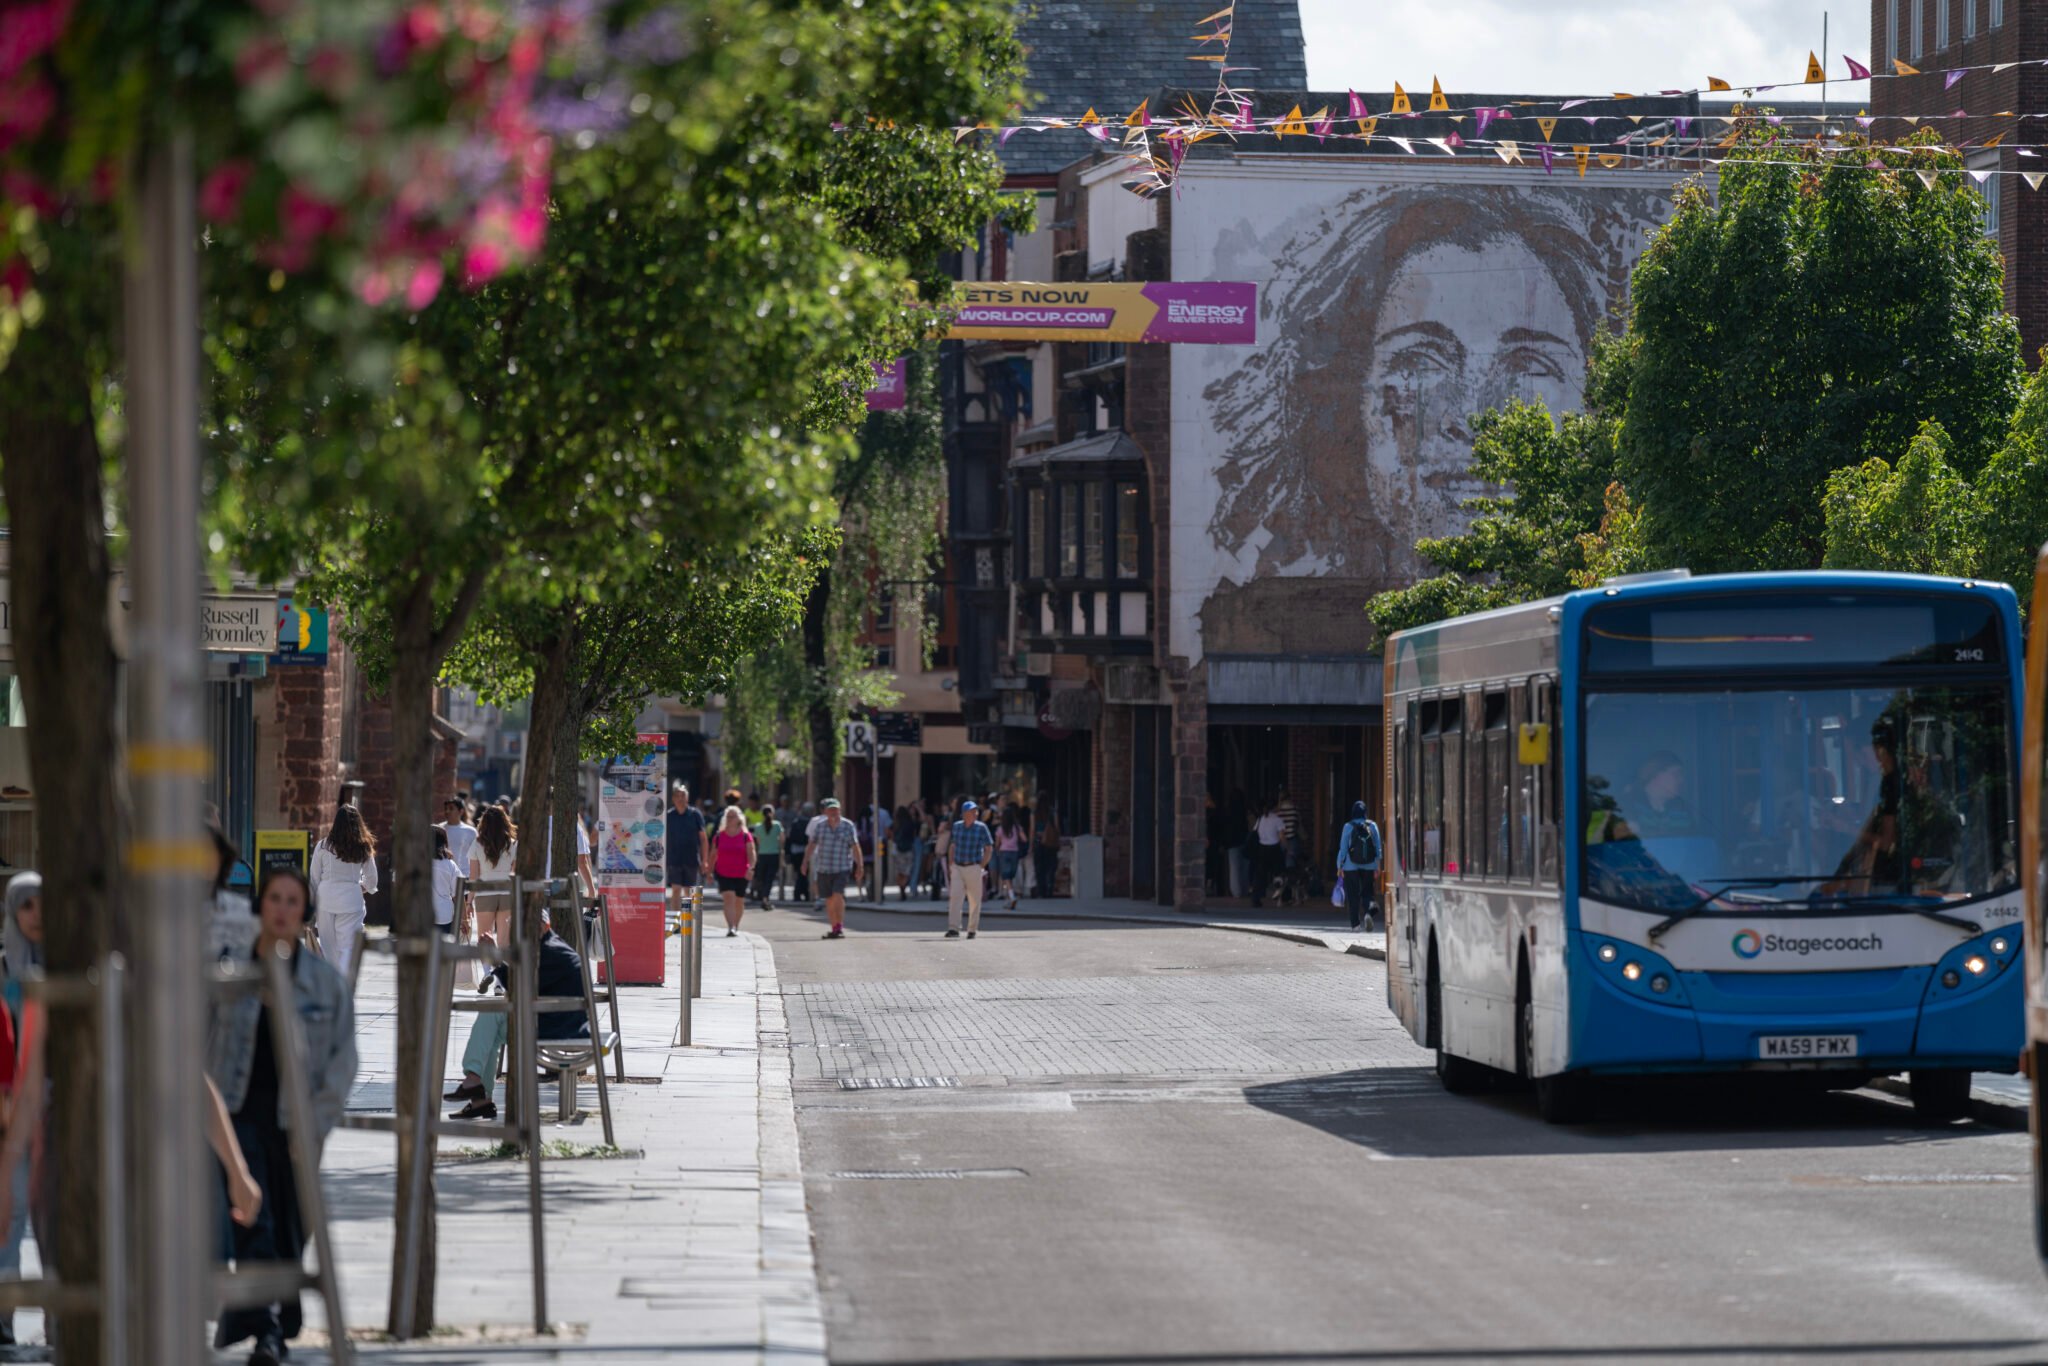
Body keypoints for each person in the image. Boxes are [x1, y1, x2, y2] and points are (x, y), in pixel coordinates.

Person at [208, 865, 358, 1366]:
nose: (282, 909)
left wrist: (316, 1122)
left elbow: (342, 1062)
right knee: (255, 1216)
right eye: (274, 898)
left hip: (295, 1123)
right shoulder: (229, 972)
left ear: (305, 913)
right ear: (260, 906)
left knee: (292, 1225)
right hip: (238, 1115)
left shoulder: (323, 984)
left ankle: (273, 1310)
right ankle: (268, 1330)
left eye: (293, 901)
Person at [446, 911, 591, 1121]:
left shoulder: (548, 952)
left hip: (557, 1028)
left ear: (543, 927)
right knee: (492, 1022)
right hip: (554, 1022)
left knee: (491, 1017)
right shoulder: (547, 947)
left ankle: (474, 1084)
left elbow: (517, 988)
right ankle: (478, 1094)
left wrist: (495, 959)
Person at [310, 804, 378, 980]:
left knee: (328, 947)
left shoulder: (322, 846)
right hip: (351, 900)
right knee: (347, 948)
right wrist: (361, 887)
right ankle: (344, 983)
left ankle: (333, 983)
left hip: (325, 900)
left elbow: (314, 879)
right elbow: (372, 880)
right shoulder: (363, 847)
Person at [802, 798, 863, 940]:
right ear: (825, 812)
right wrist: (805, 861)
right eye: (831, 810)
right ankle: (834, 927)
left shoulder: (848, 826)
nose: (834, 813)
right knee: (828, 899)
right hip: (824, 867)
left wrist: (859, 865)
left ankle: (839, 926)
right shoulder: (820, 826)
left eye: (836, 810)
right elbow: (812, 844)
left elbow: (855, 846)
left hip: (841, 867)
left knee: (837, 894)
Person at [470, 804, 518, 951]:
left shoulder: (477, 844)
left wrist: (468, 901)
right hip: (507, 892)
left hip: (484, 892)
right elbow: (515, 872)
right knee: (504, 941)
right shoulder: (513, 844)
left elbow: (474, 876)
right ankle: (502, 972)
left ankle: (487, 972)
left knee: (484, 937)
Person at [945, 800, 995, 939]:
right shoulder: (957, 826)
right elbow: (953, 845)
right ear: (964, 814)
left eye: (975, 811)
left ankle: (972, 929)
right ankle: (953, 928)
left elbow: (989, 848)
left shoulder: (981, 827)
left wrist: (981, 865)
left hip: (973, 865)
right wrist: (951, 864)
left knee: (974, 899)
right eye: (972, 812)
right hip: (958, 866)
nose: (975, 814)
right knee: (955, 897)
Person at [665, 782, 709, 929]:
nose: (680, 798)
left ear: (687, 798)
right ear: (673, 799)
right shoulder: (668, 816)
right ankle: (676, 922)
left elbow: (703, 838)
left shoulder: (695, 814)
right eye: (677, 796)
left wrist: (705, 861)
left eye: (683, 795)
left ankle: (687, 920)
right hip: (673, 858)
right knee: (676, 889)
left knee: (688, 891)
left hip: (691, 858)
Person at [1335, 800, 1383, 932]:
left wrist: (1340, 866)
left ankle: (1356, 925)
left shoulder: (1347, 827)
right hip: (1369, 865)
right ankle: (1368, 913)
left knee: (1353, 895)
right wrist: (1378, 865)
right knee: (1367, 892)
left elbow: (1343, 848)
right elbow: (1378, 847)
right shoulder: (1373, 826)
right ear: (1365, 813)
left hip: (1350, 866)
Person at [711, 805, 756, 937]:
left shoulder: (746, 836)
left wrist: (751, 868)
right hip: (723, 871)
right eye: (728, 816)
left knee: (739, 900)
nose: (730, 819)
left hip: (742, 872)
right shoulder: (719, 835)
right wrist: (708, 871)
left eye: (733, 816)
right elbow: (713, 854)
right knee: (728, 897)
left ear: (739, 818)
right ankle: (731, 927)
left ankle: (736, 924)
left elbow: (751, 853)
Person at [1249, 799, 1285, 909]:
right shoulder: (1278, 820)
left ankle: (1256, 898)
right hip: (1274, 848)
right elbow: (1282, 836)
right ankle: (1282, 896)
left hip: (1262, 848)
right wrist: (1286, 848)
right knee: (1279, 873)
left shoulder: (1261, 819)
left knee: (1260, 875)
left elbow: (1254, 831)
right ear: (1275, 808)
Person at [431, 826, 462, 938]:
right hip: (445, 915)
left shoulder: (417, 863)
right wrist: (464, 919)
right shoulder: (450, 865)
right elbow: (457, 894)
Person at [751, 804, 784, 910]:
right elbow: (782, 839)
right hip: (773, 854)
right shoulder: (777, 825)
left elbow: (758, 842)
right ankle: (765, 897)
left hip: (762, 854)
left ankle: (762, 896)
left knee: (762, 877)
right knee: (770, 878)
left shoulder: (758, 827)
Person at [993, 809, 1025, 910]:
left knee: (1006, 877)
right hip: (1014, 852)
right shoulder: (1017, 828)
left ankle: (1011, 896)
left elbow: (997, 843)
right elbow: (1024, 839)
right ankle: (1009, 898)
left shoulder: (1000, 829)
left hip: (1004, 852)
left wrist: (997, 850)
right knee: (1010, 876)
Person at [785, 801, 813, 904]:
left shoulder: (796, 822)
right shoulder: (808, 822)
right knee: (803, 873)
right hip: (804, 851)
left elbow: (789, 838)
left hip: (796, 851)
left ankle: (802, 893)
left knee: (800, 873)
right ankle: (801, 893)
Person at [1032, 801, 1061, 900]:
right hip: (1050, 843)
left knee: (1040, 868)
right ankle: (1049, 889)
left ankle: (1041, 891)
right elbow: (1057, 828)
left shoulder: (1035, 813)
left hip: (1038, 842)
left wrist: (1030, 846)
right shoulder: (1053, 812)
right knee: (1051, 867)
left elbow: (1032, 830)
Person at [891, 804, 920, 902]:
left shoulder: (896, 824)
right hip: (908, 850)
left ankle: (901, 889)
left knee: (899, 871)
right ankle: (904, 885)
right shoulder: (910, 823)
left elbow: (893, 836)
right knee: (907, 871)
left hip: (898, 850)